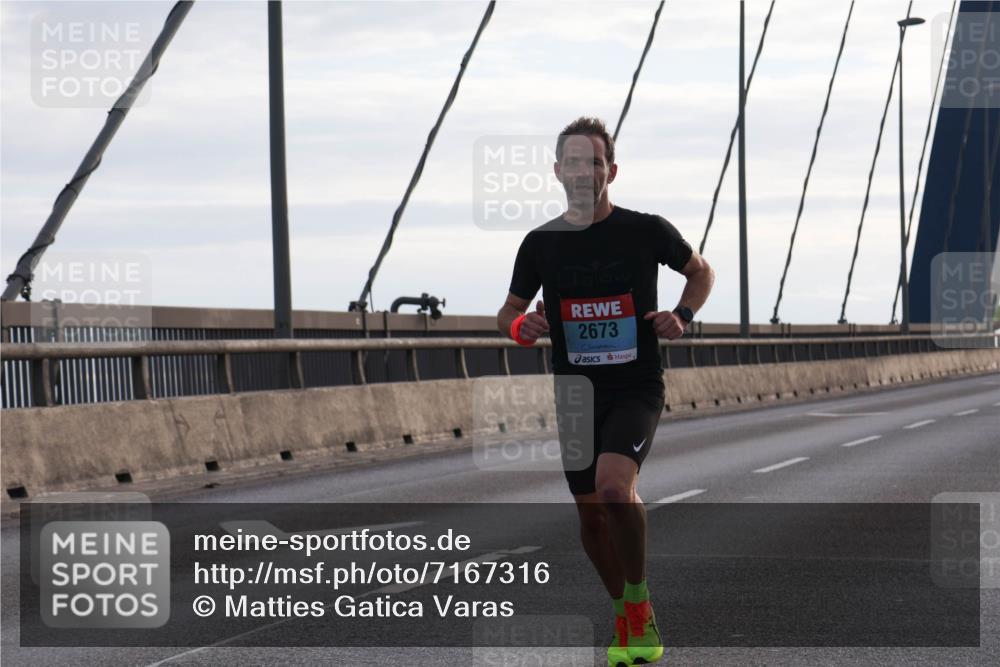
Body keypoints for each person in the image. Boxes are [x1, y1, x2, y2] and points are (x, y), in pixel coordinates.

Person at [495, 117, 714, 666]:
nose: (583, 171)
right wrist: (524, 328)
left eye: (593, 161)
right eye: (572, 162)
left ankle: (638, 607)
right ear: (557, 172)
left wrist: (682, 315)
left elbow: (701, 272)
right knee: (591, 515)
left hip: (636, 384)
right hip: (575, 393)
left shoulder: (645, 231)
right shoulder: (541, 244)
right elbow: (509, 313)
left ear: (611, 170)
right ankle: (623, 614)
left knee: (615, 490)